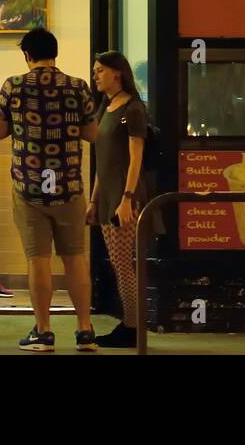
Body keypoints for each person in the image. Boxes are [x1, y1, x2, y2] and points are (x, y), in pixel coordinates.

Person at [0, 27, 98, 352]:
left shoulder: (13, 85)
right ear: (56, 53)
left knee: (38, 260)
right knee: (75, 258)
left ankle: (43, 331)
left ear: (27, 55)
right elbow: (92, 134)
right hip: (68, 185)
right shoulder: (78, 87)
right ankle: (84, 331)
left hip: (29, 185)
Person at [88, 50, 151, 348]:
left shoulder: (134, 109)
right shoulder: (105, 107)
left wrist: (127, 198)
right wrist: (93, 199)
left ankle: (133, 326)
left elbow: (135, 158)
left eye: (100, 70)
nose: (95, 75)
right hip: (106, 197)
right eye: (94, 70)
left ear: (117, 73)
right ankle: (129, 323)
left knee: (124, 264)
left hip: (125, 198)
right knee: (117, 263)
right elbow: (104, 161)